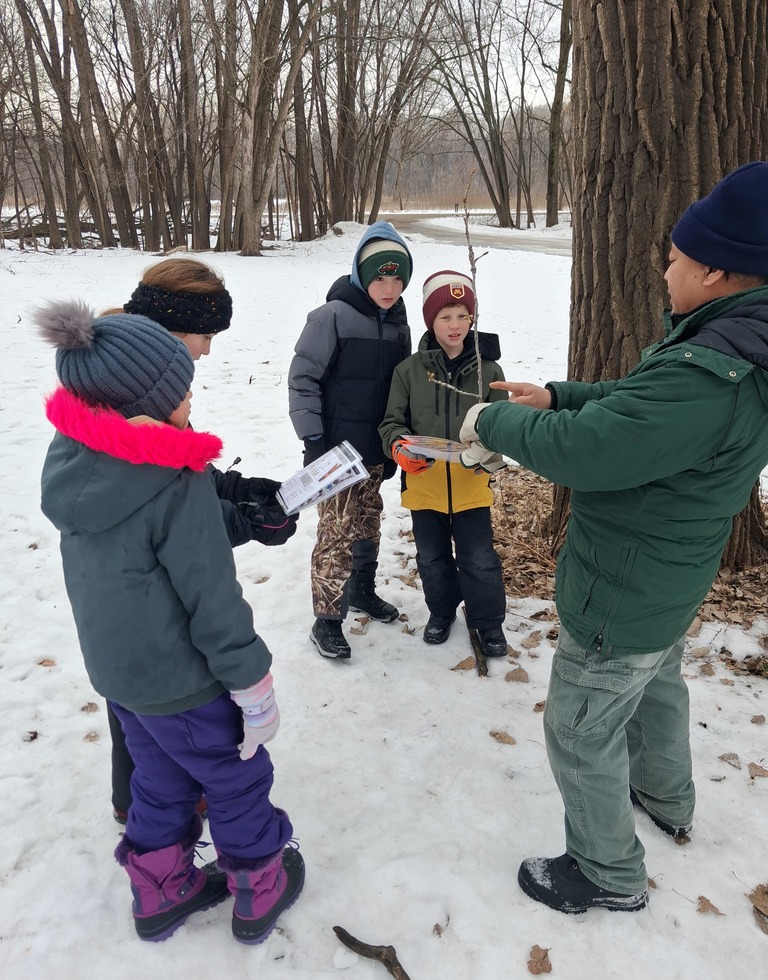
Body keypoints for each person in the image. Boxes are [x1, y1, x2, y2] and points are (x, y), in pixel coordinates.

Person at [458, 161, 768, 914]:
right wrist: (561, 396)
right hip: (667, 576)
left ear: (717, 267)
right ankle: (667, 798)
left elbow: (593, 449)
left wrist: (490, 422)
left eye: (675, 255)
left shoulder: (709, 370)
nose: (665, 268)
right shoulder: (736, 344)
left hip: (624, 581)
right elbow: (636, 411)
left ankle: (606, 871)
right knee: (656, 680)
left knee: (578, 726)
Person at [38, 301, 304, 944]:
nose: (191, 394)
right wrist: (252, 682)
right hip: (185, 678)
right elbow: (211, 598)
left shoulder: (74, 460)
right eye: (180, 388)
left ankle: (160, 889)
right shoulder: (172, 477)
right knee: (238, 779)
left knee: (158, 780)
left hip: (120, 676)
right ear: (144, 404)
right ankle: (259, 885)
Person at [107, 257, 297, 824]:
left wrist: (238, 488)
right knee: (151, 696)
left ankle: (154, 796)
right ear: (170, 328)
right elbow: (163, 512)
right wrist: (242, 521)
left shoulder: (144, 378)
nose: (208, 351)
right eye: (203, 336)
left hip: (135, 594)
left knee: (143, 694)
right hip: (137, 591)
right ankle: (145, 801)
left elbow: (182, 471)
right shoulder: (127, 395)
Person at [288, 222, 413, 659]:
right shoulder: (332, 317)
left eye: (398, 278)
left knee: (368, 521)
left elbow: (402, 389)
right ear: (362, 273)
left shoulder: (399, 323)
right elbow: (303, 380)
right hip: (337, 450)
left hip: (376, 448)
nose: (389, 287)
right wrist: (314, 441)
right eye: (380, 276)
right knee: (336, 532)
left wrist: (396, 442)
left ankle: (362, 588)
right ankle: (326, 620)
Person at [379, 270, 509, 656]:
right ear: (430, 321)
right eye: (445, 316)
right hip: (424, 486)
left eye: (462, 315)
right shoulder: (409, 371)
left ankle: (487, 623)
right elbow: (391, 424)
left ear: (472, 319)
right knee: (432, 559)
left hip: (472, 485)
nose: (455, 325)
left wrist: (486, 452)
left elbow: (501, 423)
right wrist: (398, 449)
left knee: (480, 559)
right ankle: (441, 611)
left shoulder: (490, 371)